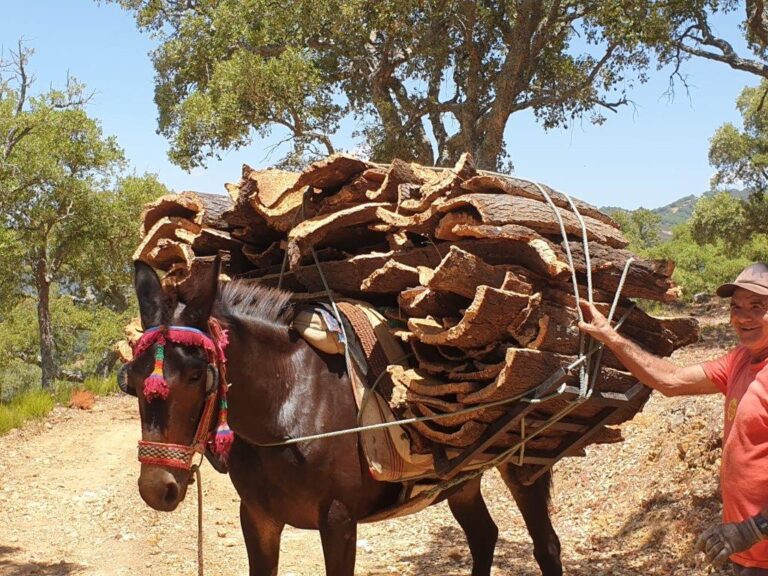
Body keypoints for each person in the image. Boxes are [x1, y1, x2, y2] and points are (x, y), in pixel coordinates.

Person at [578, 262, 768, 575]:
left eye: (757, 306)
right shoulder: (741, 359)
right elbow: (671, 380)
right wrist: (611, 337)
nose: (743, 317)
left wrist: (750, 531)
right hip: (747, 553)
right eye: (736, 307)